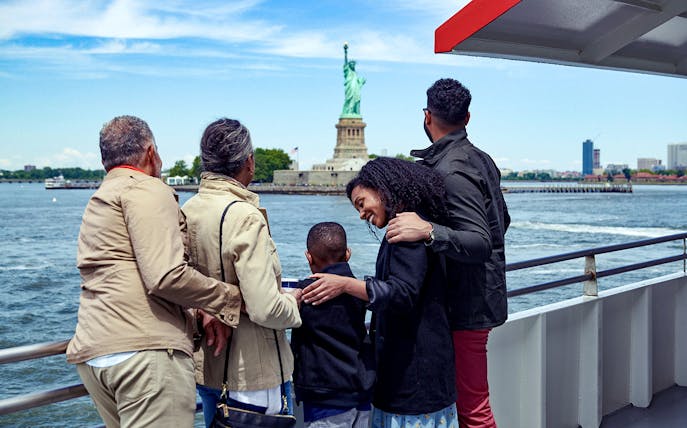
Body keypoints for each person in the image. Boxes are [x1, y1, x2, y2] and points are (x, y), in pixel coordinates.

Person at [67, 115, 242, 428]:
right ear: (151, 153)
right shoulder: (147, 189)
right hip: (144, 355)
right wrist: (230, 298)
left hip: (95, 354)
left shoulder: (101, 198)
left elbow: (130, 271)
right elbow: (165, 275)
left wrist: (197, 309)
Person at [385, 78, 510, 428]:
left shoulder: (452, 170)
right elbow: (503, 220)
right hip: (475, 299)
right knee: (467, 405)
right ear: (467, 118)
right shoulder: (479, 159)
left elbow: (480, 241)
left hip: (467, 305)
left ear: (427, 116)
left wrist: (428, 231)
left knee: (473, 410)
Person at [302, 157, 458, 428]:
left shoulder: (406, 234)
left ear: (381, 188)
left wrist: (344, 284)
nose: (361, 214)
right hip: (416, 371)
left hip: (415, 375)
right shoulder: (411, 226)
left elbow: (402, 294)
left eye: (361, 204)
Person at [181, 118, 302, 427]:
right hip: (252, 375)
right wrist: (294, 303)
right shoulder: (245, 216)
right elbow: (265, 307)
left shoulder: (187, 209)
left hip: (207, 365)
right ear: (248, 161)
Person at [291, 222, 374, 428]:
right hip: (361, 391)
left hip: (324, 395)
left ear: (309, 257)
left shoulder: (306, 293)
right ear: (348, 254)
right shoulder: (362, 290)